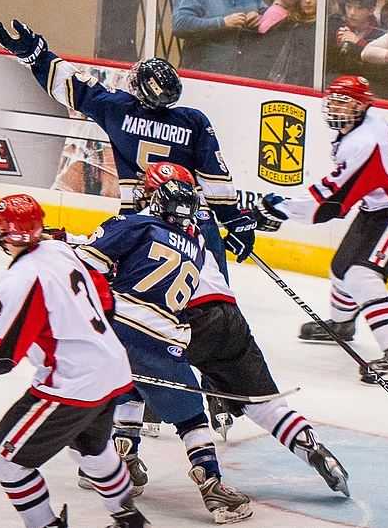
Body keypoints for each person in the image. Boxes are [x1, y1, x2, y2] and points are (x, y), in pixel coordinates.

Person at [118, 163, 351, 497]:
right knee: (262, 401)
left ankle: (126, 452)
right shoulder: (201, 221)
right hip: (228, 316)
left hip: (181, 320)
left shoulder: (139, 226)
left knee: (132, 369)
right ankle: (313, 447)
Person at [0, 19, 258, 258]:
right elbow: (215, 178)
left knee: (130, 291)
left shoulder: (118, 110)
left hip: (139, 225)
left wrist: (36, 56)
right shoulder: (194, 121)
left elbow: (74, 87)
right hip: (194, 225)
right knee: (215, 300)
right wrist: (235, 221)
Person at [75, 179, 254, 524]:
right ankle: (211, 484)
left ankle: (122, 458)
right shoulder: (196, 247)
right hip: (162, 337)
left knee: (128, 385)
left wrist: (60, 246)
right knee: (190, 418)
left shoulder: (138, 222)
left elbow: (88, 265)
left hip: (116, 332)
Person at [0, 194, 148, 528]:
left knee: (5, 458)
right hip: (111, 365)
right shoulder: (62, 251)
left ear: (3, 234)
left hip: (73, 383)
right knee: (90, 450)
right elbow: (105, 301)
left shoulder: (19, 280)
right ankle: (129, 520)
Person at [254, 76, 388, 385]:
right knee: (340, 268)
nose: (336, 107)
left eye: (345, 101)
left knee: (361, 274)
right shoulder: (359, 129)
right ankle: (342, 325)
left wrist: (280, 208)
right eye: (333, 100)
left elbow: (330, 204)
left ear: (363, 105)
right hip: (380, 203)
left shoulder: (365, 142)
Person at [328, 0, 386, 75]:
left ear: (371, 10)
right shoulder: (336, 27)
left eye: (359, 8)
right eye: (348, 6)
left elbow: (381, 70)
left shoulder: (381, 35)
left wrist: (359, 44)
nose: (352, 13)